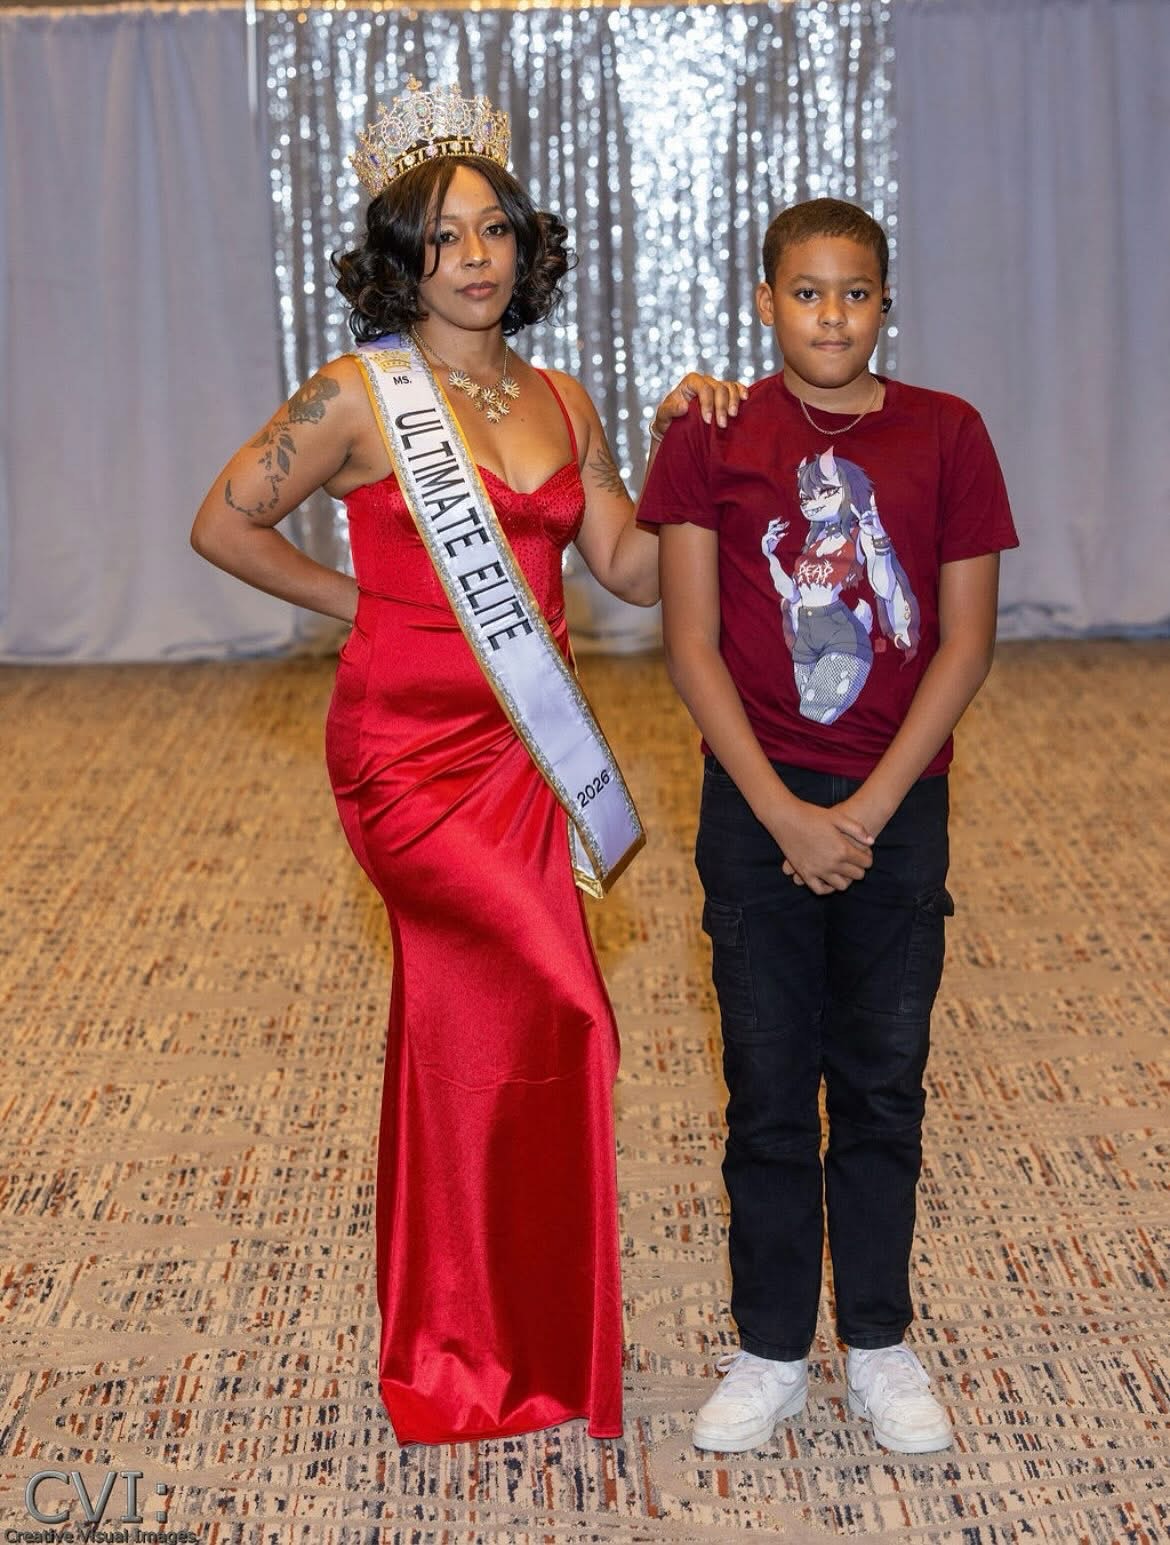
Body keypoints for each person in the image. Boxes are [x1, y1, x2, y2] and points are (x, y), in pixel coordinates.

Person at [190, 80, 744, 1445]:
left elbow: (624, 567)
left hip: (526, 759)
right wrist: (363, 607)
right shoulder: (356, 394)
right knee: (566, 1003)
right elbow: (224, 522)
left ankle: (503, 1343)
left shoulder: (558, 396)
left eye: (494, 228)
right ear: (403, 255)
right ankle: (469, 1341)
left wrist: (687, 451)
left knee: (481, 1033)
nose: (475, 257)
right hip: (407, 764)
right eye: (443, 237)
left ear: (525, 241)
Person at [637, 197, 1018, 1455]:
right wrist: (784, 815)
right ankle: (769, 1348)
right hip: (756, 806)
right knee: (764, 1087)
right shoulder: (711, 433)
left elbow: (963, 643)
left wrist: (863, 810)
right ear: (766, 302)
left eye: (856, 293)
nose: (832, 316)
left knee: (880, 1079)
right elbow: (690, 645)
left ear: (886, 302)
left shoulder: (949, 432)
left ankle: (879, 1340)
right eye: (806, 292)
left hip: (897, 808)